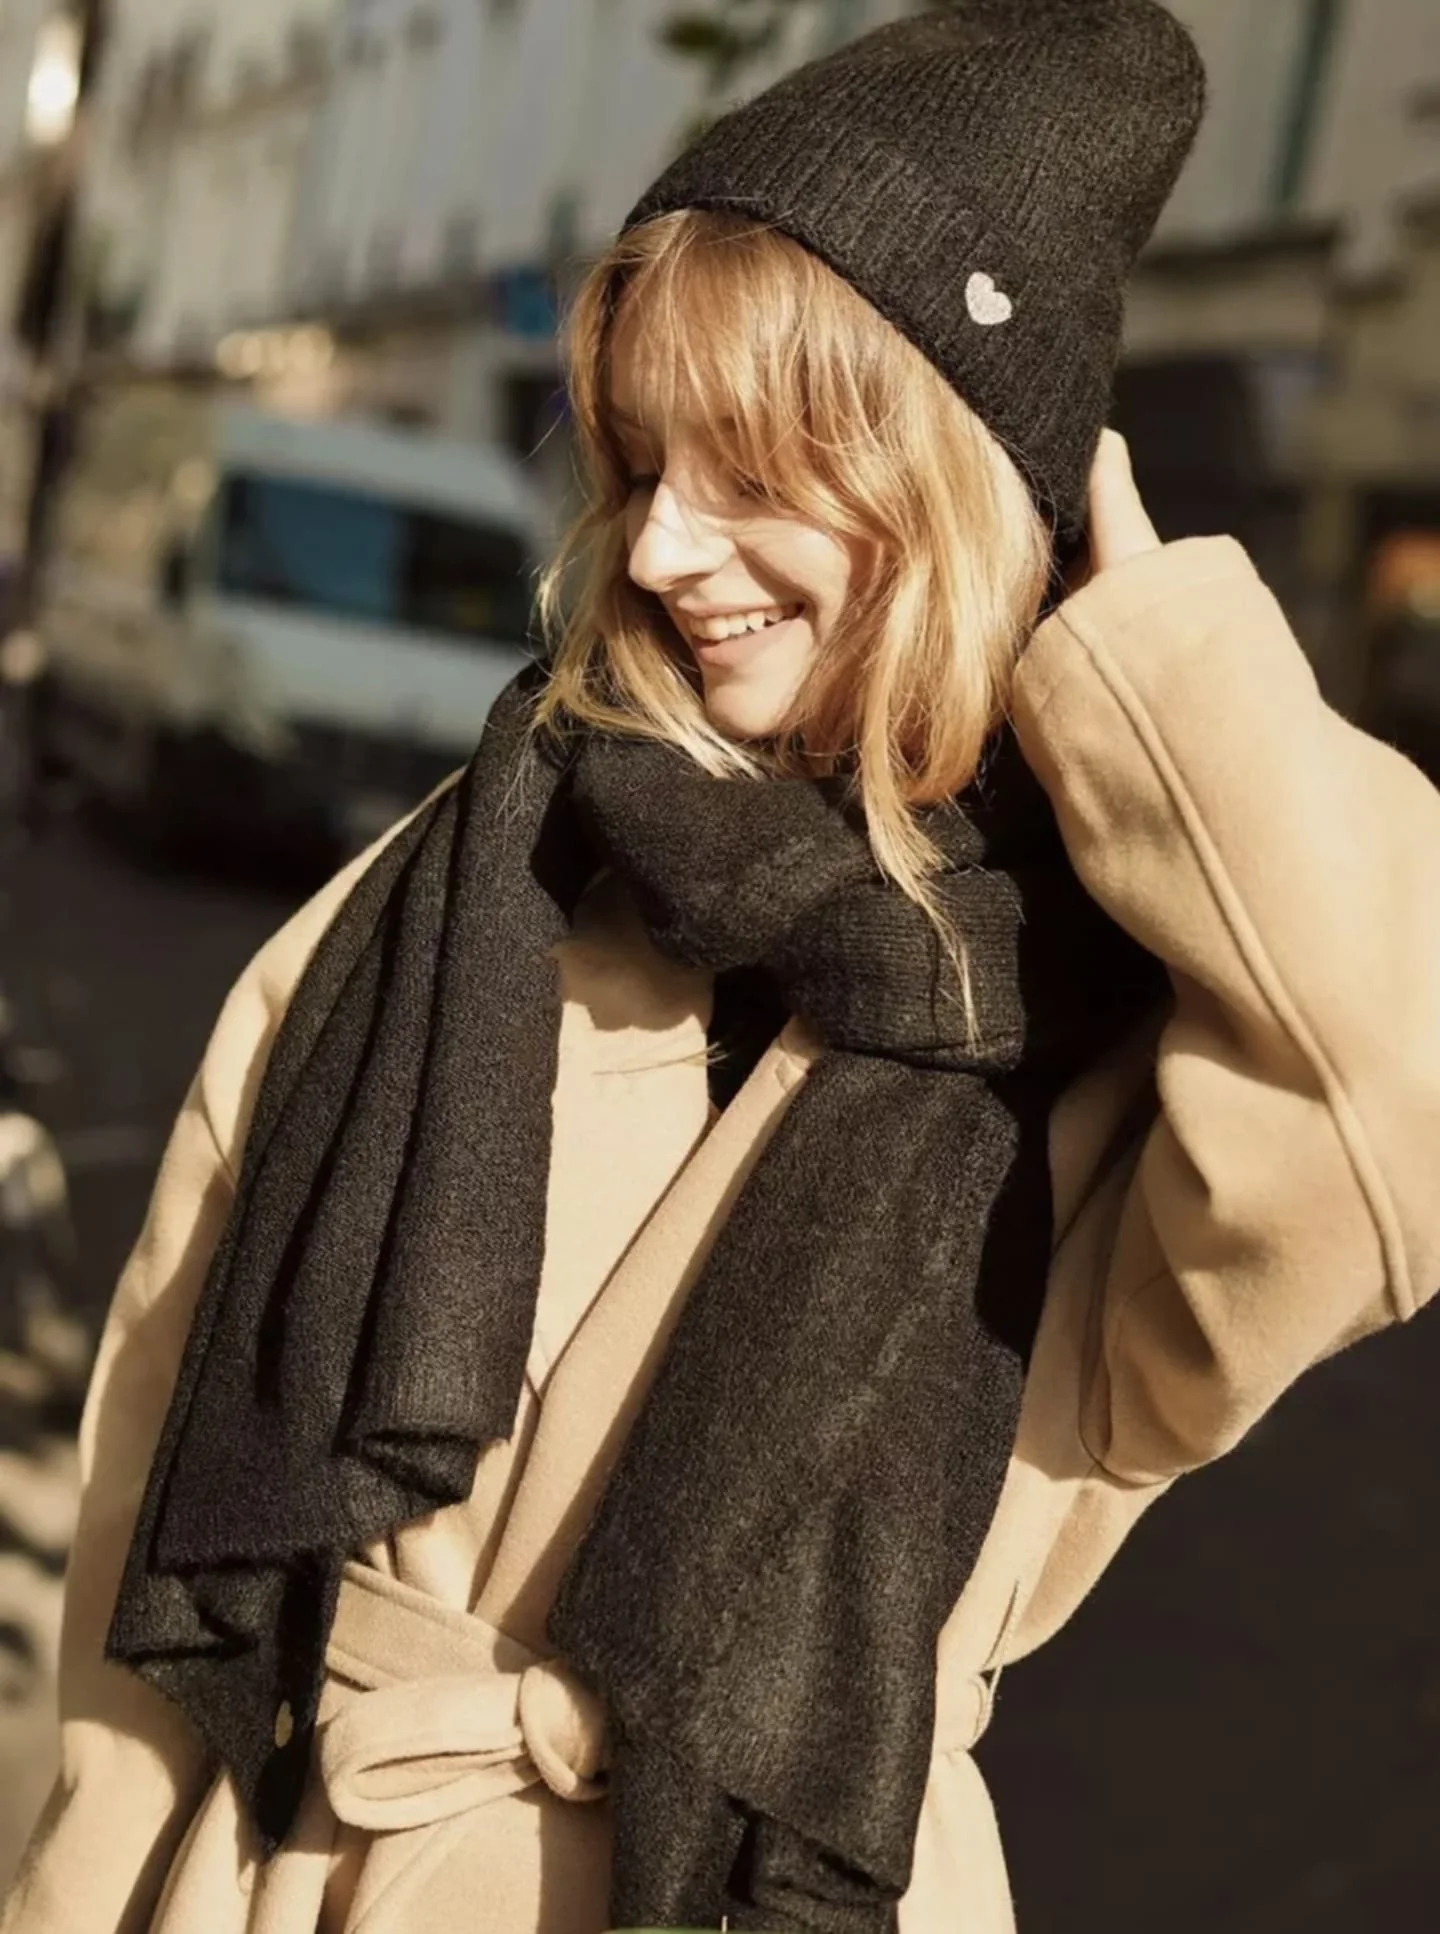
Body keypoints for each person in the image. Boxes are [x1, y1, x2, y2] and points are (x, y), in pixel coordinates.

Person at [7, 5, 1440, 1931]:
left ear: (949, 494)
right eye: (645, 457)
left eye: (753, 472)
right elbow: (148, 1538)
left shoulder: (1111, 1050)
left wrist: (1150, 645)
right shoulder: (442, 898)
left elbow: (1390, 1088)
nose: (666, 545)